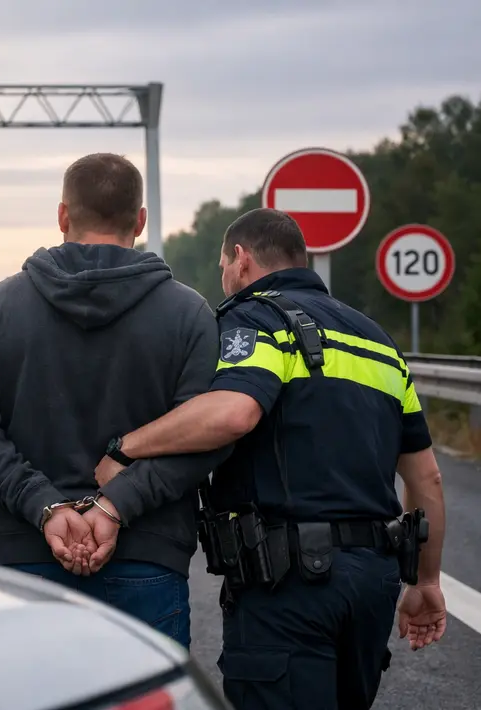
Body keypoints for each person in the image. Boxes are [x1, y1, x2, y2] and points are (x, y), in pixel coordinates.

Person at [97, 207, 447, 709]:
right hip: (373, 581)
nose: (224, 277)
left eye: (223, 265)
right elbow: (427, 478)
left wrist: (125, 448)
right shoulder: (379, 342)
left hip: (290, 583)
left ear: (241, 260)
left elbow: (234, 412)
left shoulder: (258, 317)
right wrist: (427, 581)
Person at [0, 153, 230, 649]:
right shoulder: (189, 314)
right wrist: (116, 505)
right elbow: (205, 436)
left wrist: (46, 507)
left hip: (23, 559)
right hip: (146, 560)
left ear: (62, 216)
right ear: (140, 221)